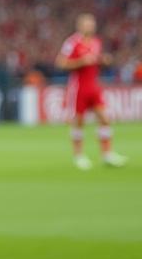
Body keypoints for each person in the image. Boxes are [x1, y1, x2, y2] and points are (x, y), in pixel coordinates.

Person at [55, 13, 128, 170]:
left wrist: (103, 61)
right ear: (80, 26)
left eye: (92, 24)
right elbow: (61, 63)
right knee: (79, 122)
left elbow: (95, 60)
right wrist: (81, 61)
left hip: (93, 86)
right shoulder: (72, 42)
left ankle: (107, 154)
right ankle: (79, 156)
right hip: (79, 87)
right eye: (87, 24)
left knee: (105, 118)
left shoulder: (96, 42)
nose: (91, 26)